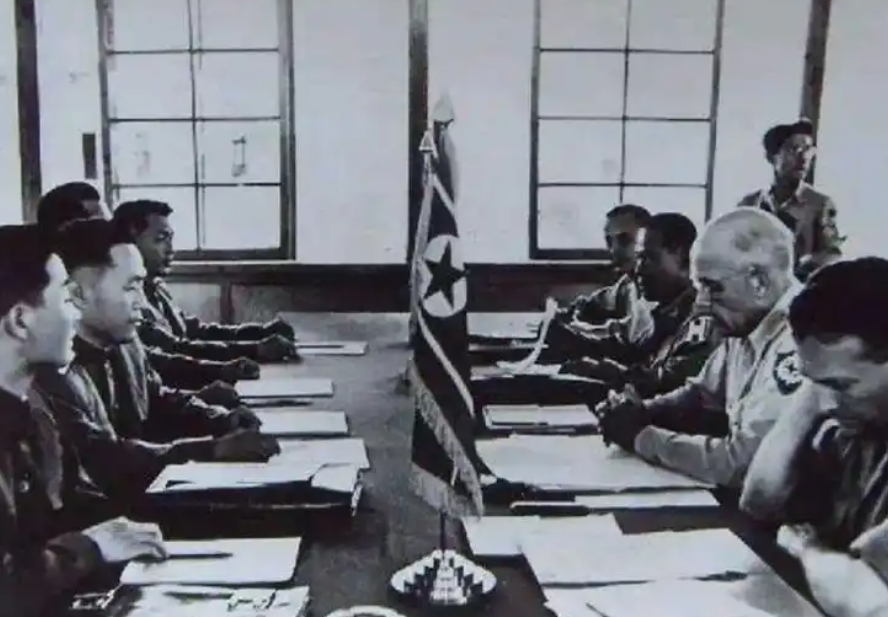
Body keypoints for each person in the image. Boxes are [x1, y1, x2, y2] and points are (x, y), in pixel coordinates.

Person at [30, 218, 279, 502]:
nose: (142, 302)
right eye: (131, 287)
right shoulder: (51, 369)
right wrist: (208, 450)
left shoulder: (125, 340)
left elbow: (155, 398)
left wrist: (219, 419)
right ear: (78, 294)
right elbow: (102, 456)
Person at [0, 224, 166, 616]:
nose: (76, 313)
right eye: (64, 298)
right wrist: (91, 546)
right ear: (20, 321)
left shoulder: (31, 411)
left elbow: (67, 511)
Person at [595, 208, 804, 490]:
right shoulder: (745, 321)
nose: (702, 304)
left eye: (713, 287)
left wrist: (641, 437)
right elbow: (700, 393)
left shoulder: (801, 341)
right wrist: (641, 411)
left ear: (759, 281)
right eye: (699, 287)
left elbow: (745, 464)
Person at [741, 258, 888, 617]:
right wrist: (812, 393)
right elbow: (759, 501)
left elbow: (868, 604)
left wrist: (807, 549)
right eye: (818, 383)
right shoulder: (855, 426)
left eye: (842, 384)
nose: (829, 402)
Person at [34, 183, 254, 395]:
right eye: (98, 224)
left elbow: (147, 379)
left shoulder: (118, 312)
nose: (112, 231)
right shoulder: (53, 344)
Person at [113, 199, 299, 364]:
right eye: (161, 239)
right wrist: (255, 349)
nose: (171, 250)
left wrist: (261, 332)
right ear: (130, 244)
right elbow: (176, 349)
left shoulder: (157, 287)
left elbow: (195, 331)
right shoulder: (127, 301)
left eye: (170, 239)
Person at [564, 213, 722, 398]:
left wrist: (617, 375)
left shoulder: (703, 316)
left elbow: (676, 382)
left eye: (648, 258)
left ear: (679, 255)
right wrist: (578, 344)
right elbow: (631, 348)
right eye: (638, 258)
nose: (638, 269)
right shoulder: (664, 309)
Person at [737, 118, 843, 280]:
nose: (804, 157)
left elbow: (833, 252)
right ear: (771, 157)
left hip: (802, 288)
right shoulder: (749, 205)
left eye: (808, 150)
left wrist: (810, 263)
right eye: (794, 149)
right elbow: (735, 250)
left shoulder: (820, 204)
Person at [35, 181, 110, 228]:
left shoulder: (79, 198)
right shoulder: (70, 201)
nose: (95, 209)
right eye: (94, 206)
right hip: (49, 217)